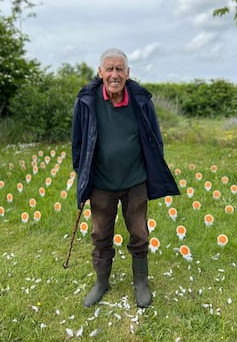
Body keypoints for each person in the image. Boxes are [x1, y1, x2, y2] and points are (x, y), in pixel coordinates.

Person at [72, 48, 180, 308]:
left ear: (128, 73)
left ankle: (141, 282)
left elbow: (155, 139)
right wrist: (83, 172)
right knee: (100, 234)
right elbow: (78, 141)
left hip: (135, 182)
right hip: (101, 184)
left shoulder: (141, 100)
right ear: (100, 72)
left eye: (119, 69)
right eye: (109, 69)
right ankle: (101, 282)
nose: (114, 74)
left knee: (140, 233)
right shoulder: (86, 101)